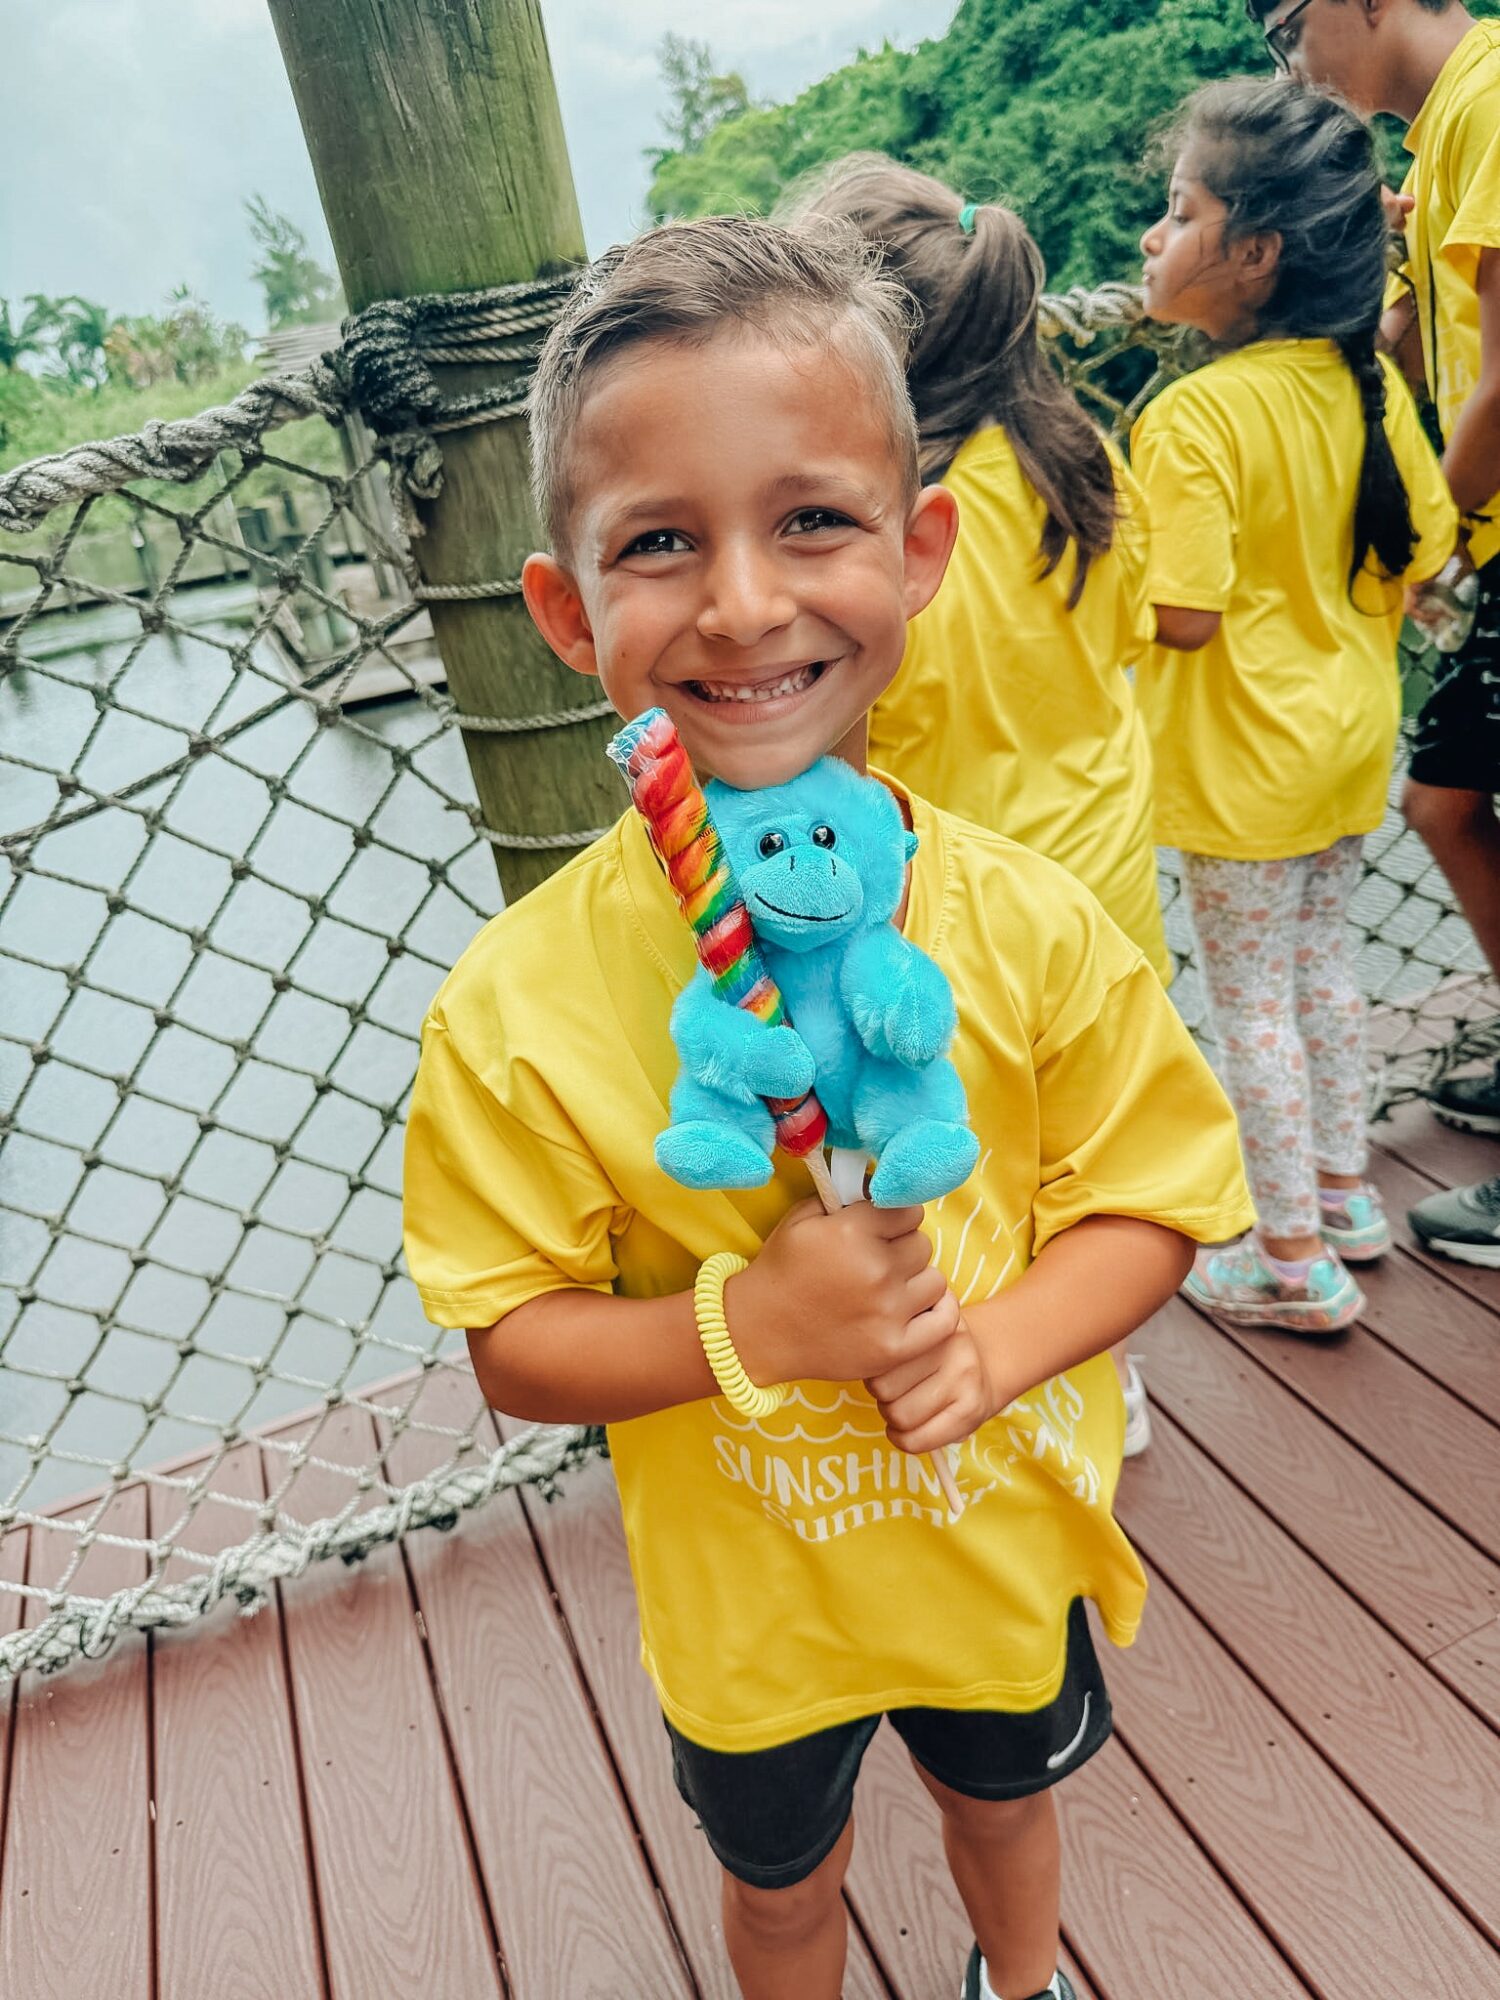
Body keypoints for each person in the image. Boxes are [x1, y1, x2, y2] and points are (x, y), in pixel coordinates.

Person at [402, 215, 1254, 2000]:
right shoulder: (517, 1007)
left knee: (1006, 1807)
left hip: (992, 1543)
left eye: (811, 520)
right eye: (657, 542)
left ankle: (1016, 1982)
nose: (741, 605)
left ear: (918, 548)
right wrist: (752, 1326)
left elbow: (1156, 1197)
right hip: (753, 1608)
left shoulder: (1029, 923)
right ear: (565, 610)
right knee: (783, 1887)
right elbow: (513, 1340)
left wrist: (999, 1345)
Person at [784, 156, 1167, 1456]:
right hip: (1104, 878)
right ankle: (1100, 1371)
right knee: (1086, 1150)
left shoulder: (876, 539)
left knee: (960, 1153)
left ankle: (973, 1380)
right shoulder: (1085, 463)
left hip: (953, 911)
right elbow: (1131, 640)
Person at [1132, 76, 1459, 1331]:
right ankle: (1342, 1193)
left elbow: (1183, 612)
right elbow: (1423, 548)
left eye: (1181, 212)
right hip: (1346, 742)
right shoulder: (1360, 383)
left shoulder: (1194, 417)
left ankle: (1289, 1258)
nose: (1155, 237)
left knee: (1250, 1004)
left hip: (1243, 764)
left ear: (1257, 252)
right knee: (1323, 971)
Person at [1246, 2, 1500, 1260]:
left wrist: (1425, 538)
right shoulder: (1444, 132)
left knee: (1445, 798)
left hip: (1486, 532)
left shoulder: (1492, 104)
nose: (1292, 65)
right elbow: (1410, 344)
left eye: (1290, 28)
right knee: (1443, 799)